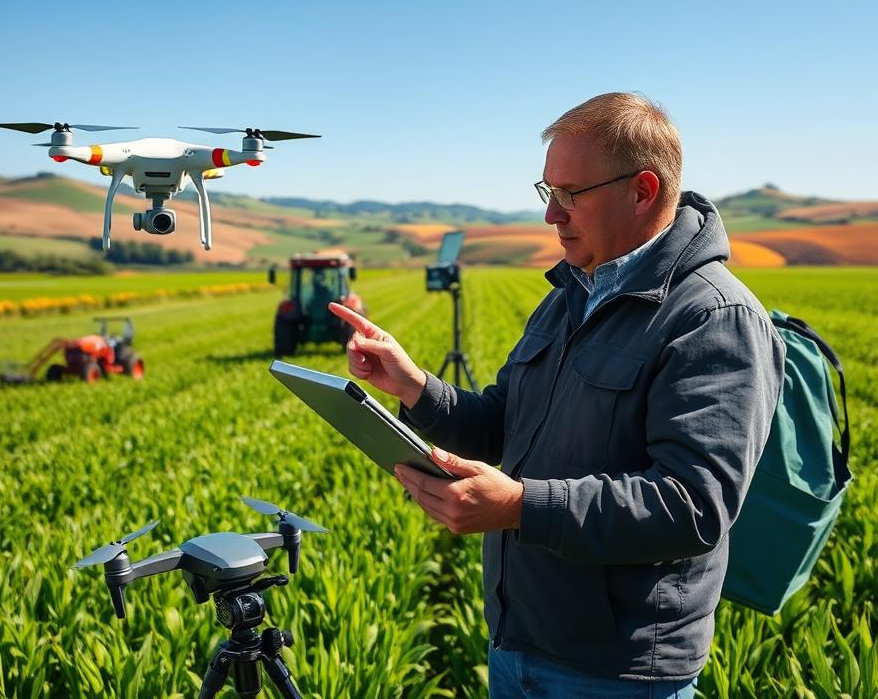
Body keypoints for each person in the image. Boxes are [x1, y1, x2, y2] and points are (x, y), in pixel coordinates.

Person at [330, 92, 785, 698]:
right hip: (519, 642)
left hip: (616, 673)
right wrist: (411, 384)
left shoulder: (712, 317)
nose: (552, 216)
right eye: (549, 193)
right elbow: (502, 423)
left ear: (643, 190)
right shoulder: (571, 291)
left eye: (572, 194)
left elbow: (693, 506)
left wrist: (519, 506)